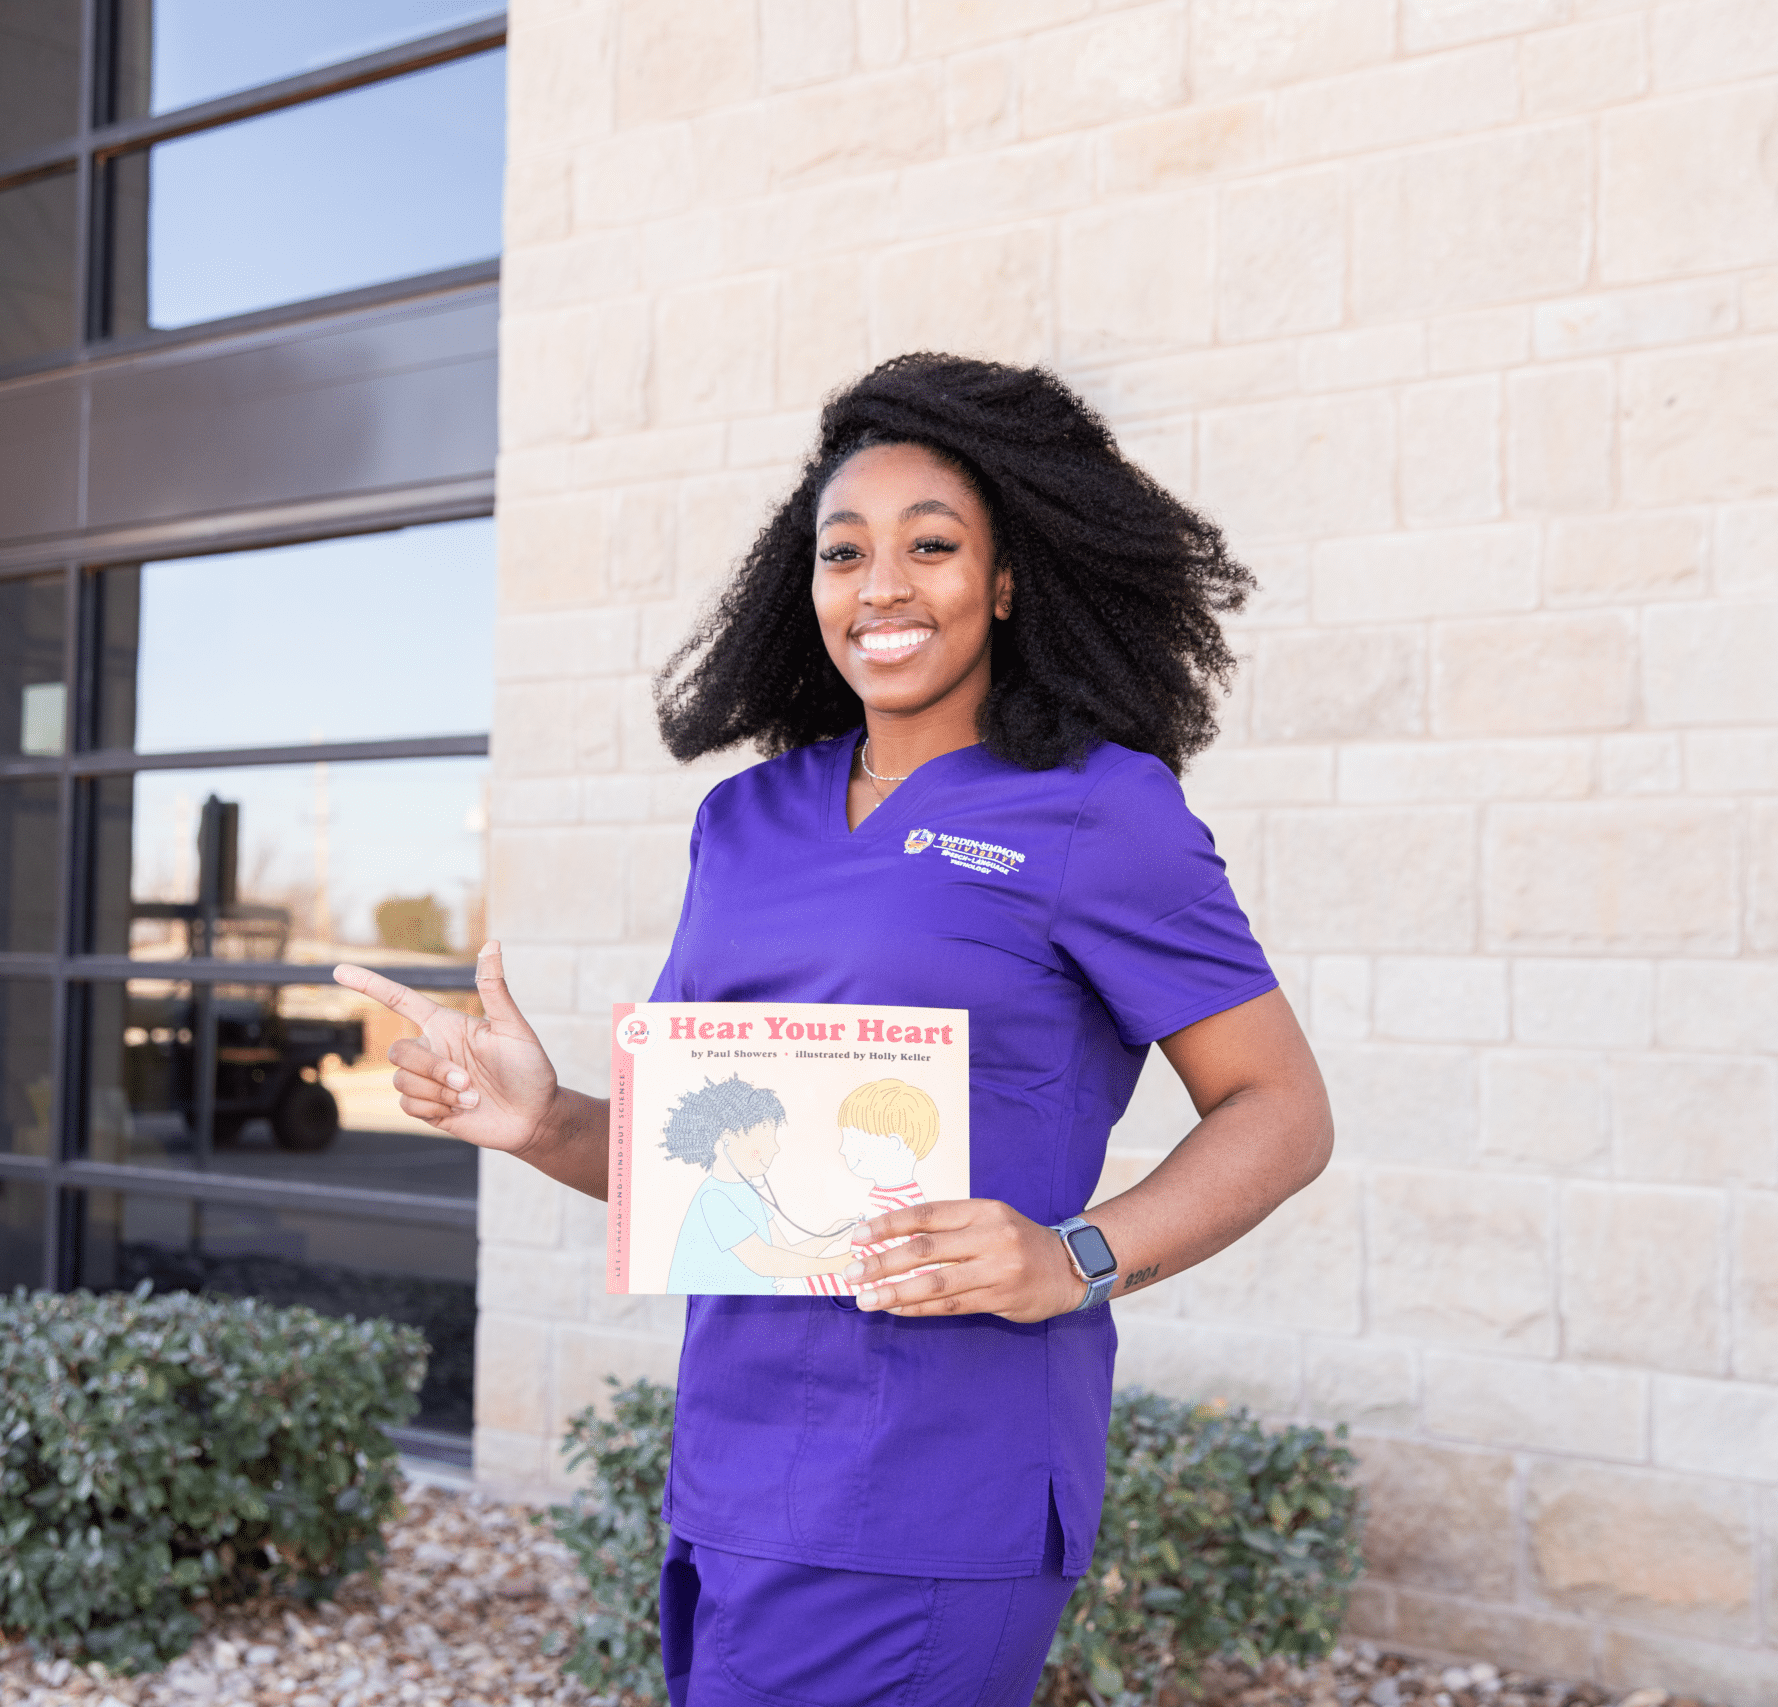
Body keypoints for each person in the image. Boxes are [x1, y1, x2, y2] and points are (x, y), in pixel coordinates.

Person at [335, 353, 1334, 1707]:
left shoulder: (1100, 811)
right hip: (736, 1466)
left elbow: (1280, 1107)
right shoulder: (744, 823)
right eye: (843, 550)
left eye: (932, 545)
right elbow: (710, 1158)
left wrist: (1079, 1253)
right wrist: (543, 1117)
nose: (881, 587)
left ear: (1007, 579)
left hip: (940, 1475)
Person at [657, 1074, 849, 1293]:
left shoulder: (746, 1193)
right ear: (726, 1139)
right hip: (728, 1313)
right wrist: (835, 1265)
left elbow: (785, 1252)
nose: (775, 1147)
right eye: (766, 1138)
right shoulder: (713, 1199)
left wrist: (832, 1235)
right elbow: (764, 1262)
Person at [797, 1078, 941, 1297]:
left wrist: (806, 1284)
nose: (843, 1149)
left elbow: (867, 1272)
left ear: (893, 1144)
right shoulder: (882, 1196)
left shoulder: (902, 1205)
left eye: (853, 1139)